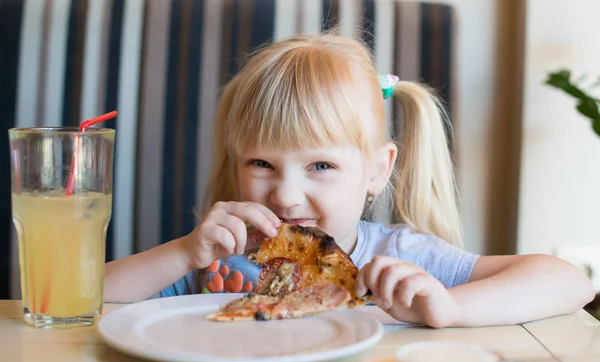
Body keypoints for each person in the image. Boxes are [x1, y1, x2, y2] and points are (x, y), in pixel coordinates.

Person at [104, 33, 595, 328]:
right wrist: (184, 253)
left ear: (377, 171)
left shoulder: (399, 259)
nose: (286, 194)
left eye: (320, 166)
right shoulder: (215, 261)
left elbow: (568, 282)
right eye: (261, 164)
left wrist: (444, 307)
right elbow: (78, 297)